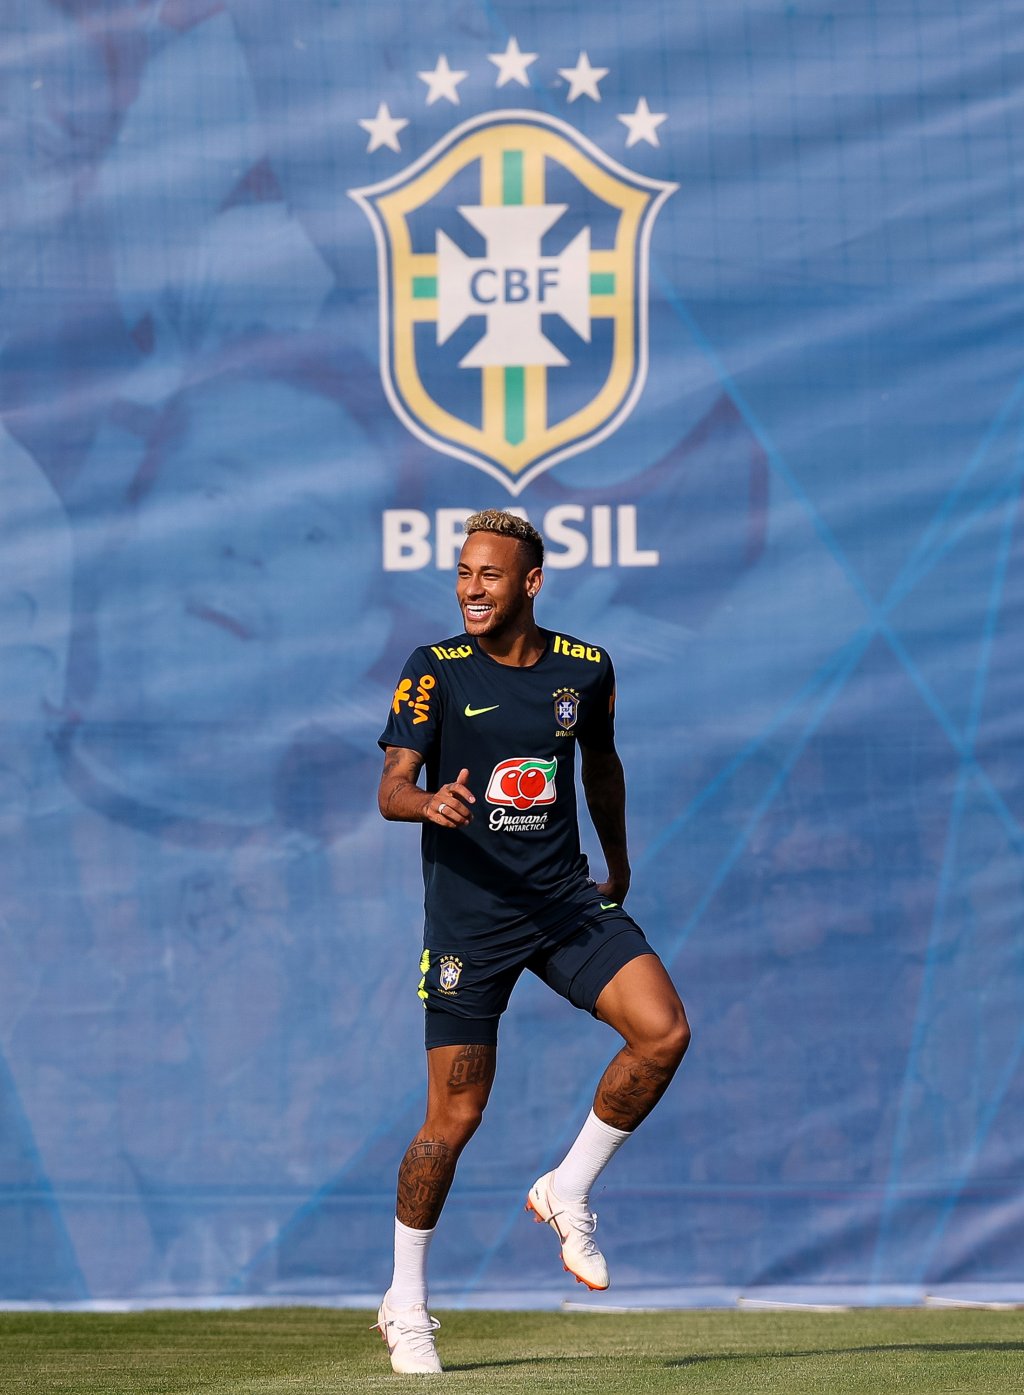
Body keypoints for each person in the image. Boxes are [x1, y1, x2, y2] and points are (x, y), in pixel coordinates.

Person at [374, 508, 690, 1375]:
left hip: (561, 902)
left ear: (531, 581)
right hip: (470, 921)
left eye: (490, 574)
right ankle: (406, 1305)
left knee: (663, 1031)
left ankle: (569, 1186)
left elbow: (603, 768)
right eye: (464, 573)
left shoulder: (584, 669)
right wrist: (427, 802)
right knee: (457, 1114)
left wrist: (618, 864)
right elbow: (391, 786)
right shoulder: (431, 670)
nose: (472, 588)